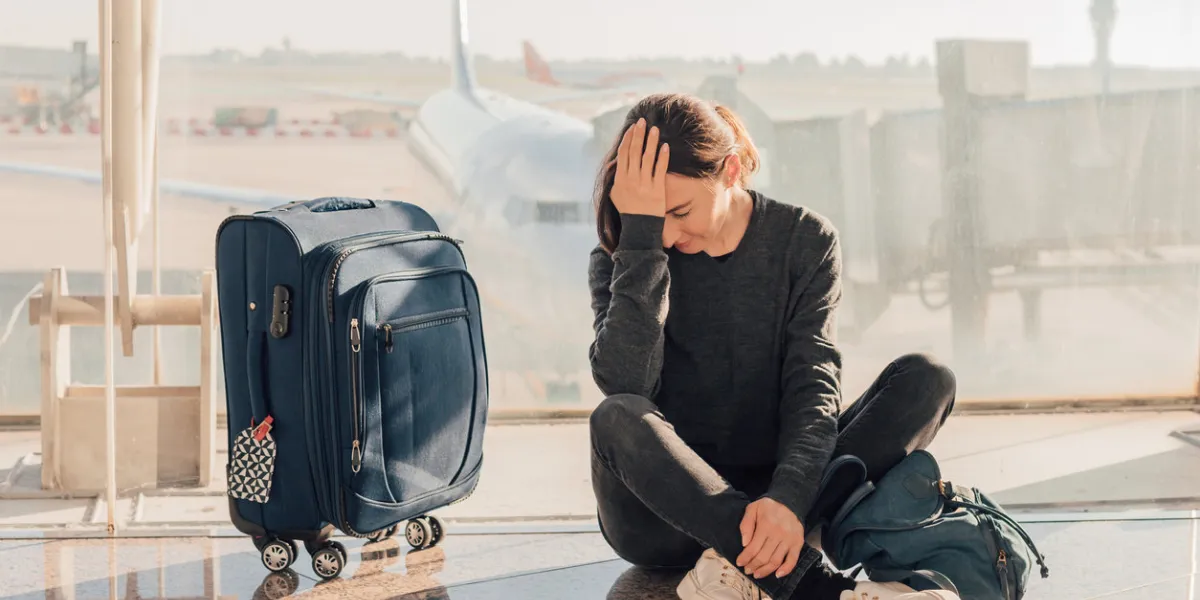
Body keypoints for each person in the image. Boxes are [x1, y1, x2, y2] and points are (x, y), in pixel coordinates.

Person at [586, 93, 961, 600]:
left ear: (732, 170)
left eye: (678, 211)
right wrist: (640, 240)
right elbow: (627, 383)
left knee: (926, 378)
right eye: (654, 218)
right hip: (665, 517)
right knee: (615, 416)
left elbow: (812, 384)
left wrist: (787, 498)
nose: (669, 236)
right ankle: (819, 590)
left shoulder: (804, 240)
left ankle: (740, 563)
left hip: (782, 500)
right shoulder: (628, 254)